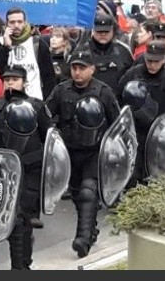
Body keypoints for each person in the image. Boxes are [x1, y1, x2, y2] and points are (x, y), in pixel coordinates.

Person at [45, 50, 120, 258]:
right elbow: (47, 115)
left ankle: (83, 239)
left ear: (92, 69)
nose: (77, 72)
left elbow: (117, 124)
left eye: (82, 68)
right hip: (69, 152)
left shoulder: (103, 92)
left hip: (94, 152)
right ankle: (91, 228)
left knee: (88, 192)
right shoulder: (61, 90)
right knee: (78, 194)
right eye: (74, 68)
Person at [0, 65, 52, 269]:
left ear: (24, 82)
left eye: (15, 79)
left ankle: (21, 265)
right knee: (10, 220)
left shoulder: (37, 107)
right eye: (7, 80)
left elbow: (49, 139)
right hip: (3, 171)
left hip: (30, 170)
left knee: (23, 219)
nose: (10, 83)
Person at [117, 40, 165, 187]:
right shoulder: (133, 74)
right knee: (132, 179)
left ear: (164, 59)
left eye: (156, 61)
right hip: (136, 134)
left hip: (161, 139)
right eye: (149, 60)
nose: (152, 65)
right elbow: (118, 99)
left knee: (159, 181)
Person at [0, 7, 57, 101]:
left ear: (25, 22)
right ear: (6, 24)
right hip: (9, 101)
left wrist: (46, 101)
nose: (16, 25)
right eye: (12, 22)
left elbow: (49, 77)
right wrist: (6, 47)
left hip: (35, 100)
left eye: (20, 22)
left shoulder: (37, 43)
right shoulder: (0, 43)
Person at [74, 13, 134, 93]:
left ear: (112, 31)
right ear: (93, 31)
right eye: (100, 31)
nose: (103, 34)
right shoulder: (81, 51)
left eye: (106, 31)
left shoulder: (123, 50)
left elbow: (132, 77)